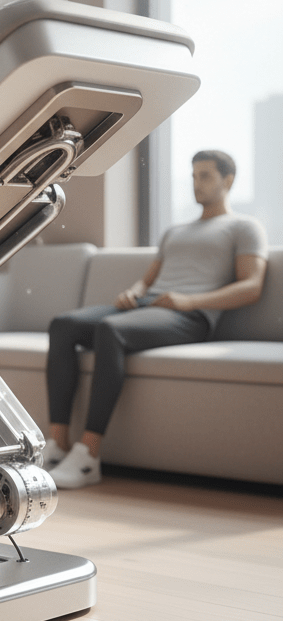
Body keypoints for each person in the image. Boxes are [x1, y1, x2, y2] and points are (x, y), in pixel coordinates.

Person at [44, 150, 268, 488]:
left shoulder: (244, 226)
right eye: (193, 175)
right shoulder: (175, 231)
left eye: (205, 176)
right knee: (63, 324)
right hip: (149, 305)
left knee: (110, 330)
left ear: (228, 180)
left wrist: (189, 301)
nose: (196, 183)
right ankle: (57, 446)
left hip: (190, 316)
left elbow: (251, 286)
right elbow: (148, 280)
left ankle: (88, 456)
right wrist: (132, 291)